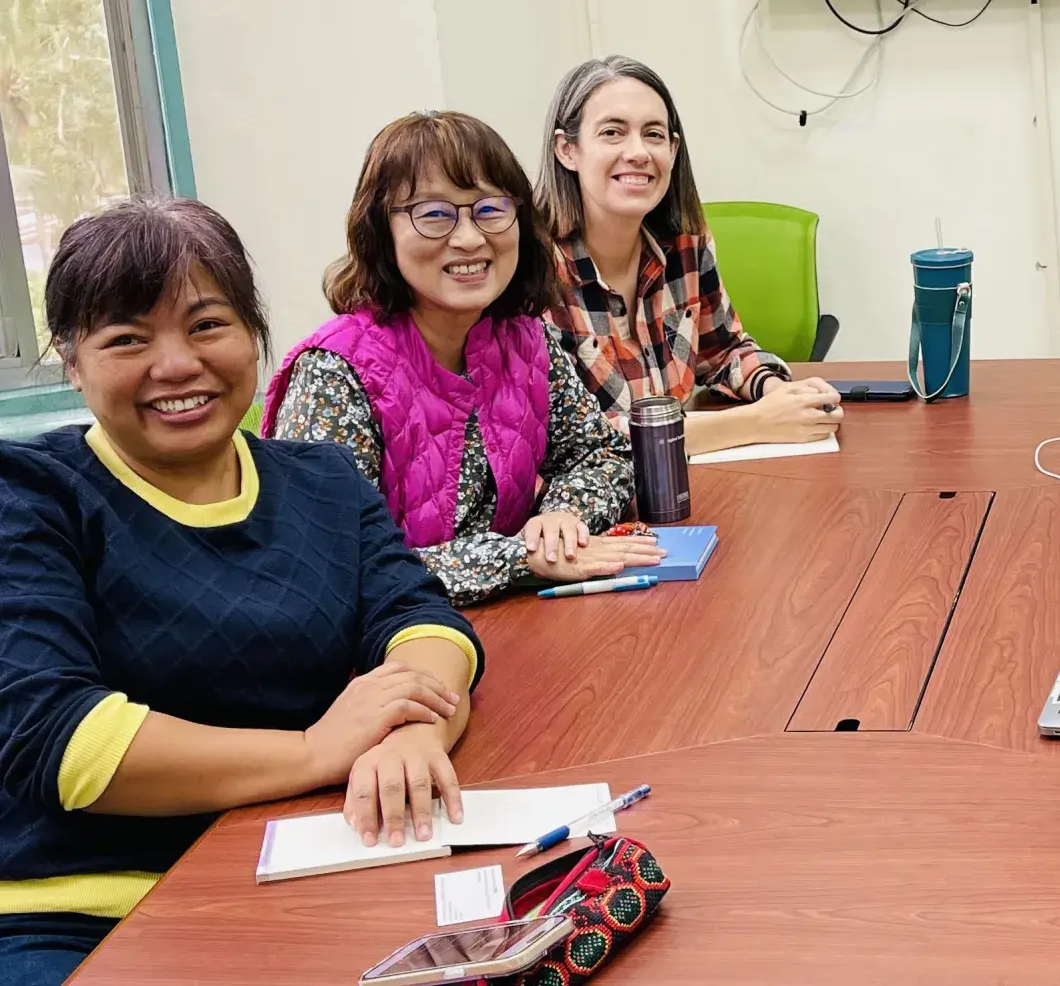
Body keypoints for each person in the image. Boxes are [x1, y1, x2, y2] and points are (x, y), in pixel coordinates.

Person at [0, 199, 485, 984]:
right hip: (87, 914)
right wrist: (314, 751)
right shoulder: (31, 494)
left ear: (254, 334)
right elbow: (59, 739)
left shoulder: (323, 482)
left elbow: (420, 620)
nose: (176, 365)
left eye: (207, 325)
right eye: (127, 338)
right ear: (71, 361)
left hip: (310, 868)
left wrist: (411, 734)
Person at [264, 111, 661, 606]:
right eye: (433, 214)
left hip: (510, 624)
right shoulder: (334, 373)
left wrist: (563, 519)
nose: (470, 238)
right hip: (384, 661)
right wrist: (517, 558)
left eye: (490, 209)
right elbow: (337, 563)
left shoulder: (522, 339)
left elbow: (601, 454)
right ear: (380, 232)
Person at [536, 56, 843, 453]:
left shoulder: (685, 246)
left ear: (673, 149)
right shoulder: (533, 272)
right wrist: (755, 423)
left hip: (686, 489)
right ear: (567, 150)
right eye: (612, 132)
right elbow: (579, 440)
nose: (638, 152)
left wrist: (780, 393)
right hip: (589, 509)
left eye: (654, 135)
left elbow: (723, 352)